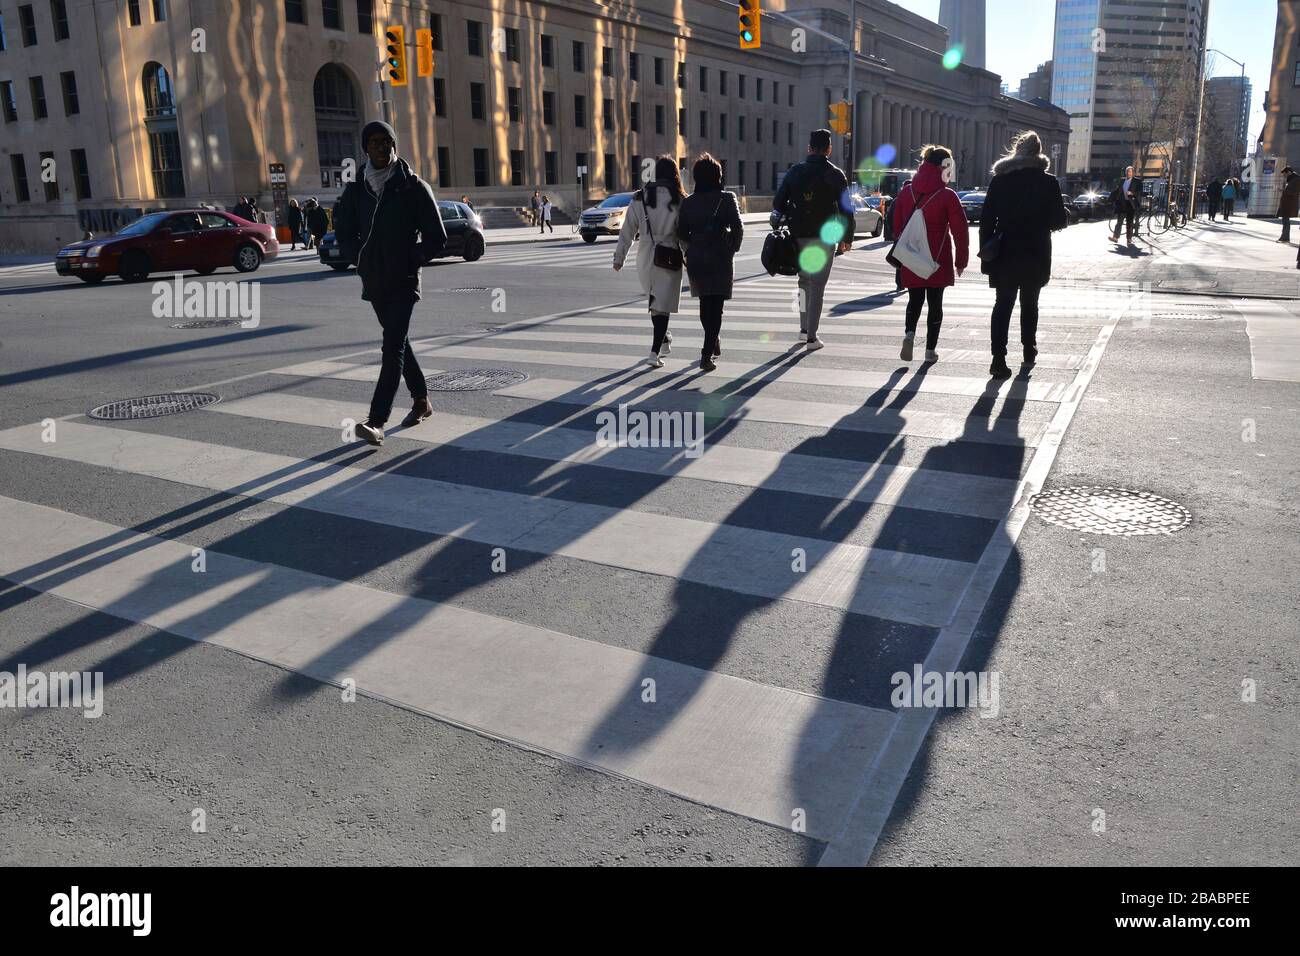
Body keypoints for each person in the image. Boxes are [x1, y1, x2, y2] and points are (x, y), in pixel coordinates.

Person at [332, 119, 447, 447]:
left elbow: (437, 238)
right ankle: (422, 401)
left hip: (404, 280)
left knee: (392, 346)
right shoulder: (357, 189)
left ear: (394, 146)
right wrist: (360, 260)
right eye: (376, 142)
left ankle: (376, 421)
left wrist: (412, 258)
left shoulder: (413, 186)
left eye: (388, 141)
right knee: (400, 343)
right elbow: (343, 232)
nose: (383, 147)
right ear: (365, 149)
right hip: (375, 280)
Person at [979, 131, 1069, 380]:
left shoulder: (1000, 180)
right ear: (1039, 151)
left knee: (1003, 304)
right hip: (1036, 250)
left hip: (1005, 250)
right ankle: (1029, 348)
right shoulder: (1048, 182)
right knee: (1030, 303)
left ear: (1017, 150)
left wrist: (986, 256)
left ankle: (998, 358)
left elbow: (987, 220)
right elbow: (1058, 221)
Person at [771, 128, 854, 351]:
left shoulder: (794, 172)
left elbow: (778, 203)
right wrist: (848, 236)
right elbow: (847, 209)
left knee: (804, 282)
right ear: (829, 148)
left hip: (798, 235)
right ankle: (812, 337)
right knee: (817, 285)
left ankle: (803, 329)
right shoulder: (836, 174)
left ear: (809, 148)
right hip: (824, 237)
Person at [891, 144, 969, 364]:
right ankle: (930, 350)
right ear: (945, 167)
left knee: (914, 300)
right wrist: (960, 260)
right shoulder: (947, 196)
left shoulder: (907, 192)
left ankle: (909, 334)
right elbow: (960, 230)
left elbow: (897, 226)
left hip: (912, 254)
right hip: (938, 256)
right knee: (936, 303)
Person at [613, 155, 685, 368]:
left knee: (656, 304)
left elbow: (627, 231)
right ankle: (655, 352)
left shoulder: (639, 198)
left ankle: (663, 339)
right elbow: (685, 234)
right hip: (669, 255)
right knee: (661, 305)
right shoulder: (680, 199)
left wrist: (619, 259)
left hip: (645, 257)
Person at [677, 152, 744, 372]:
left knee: (706, 305)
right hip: (720, 257)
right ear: (717, 176)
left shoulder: (689, 202)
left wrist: (692, 249)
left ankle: (711, 340)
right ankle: (707, 353)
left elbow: (681, 232)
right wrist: (731, 249)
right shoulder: (727, 198)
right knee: (717, 307)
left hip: (697, 259)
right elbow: (738, 228)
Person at [1109, 166, 1140, 244]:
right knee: (1119, 222)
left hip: (1130, 204)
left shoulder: (1136, 181)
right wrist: (1111, 197)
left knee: (1129, 223)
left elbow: (1140, 192)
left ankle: (1129, 239)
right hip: (1122, 203)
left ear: (1133, 173)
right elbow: (1118, 190)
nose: (1128, 173)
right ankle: (1115, 237)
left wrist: (1132, 193)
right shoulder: (1122, 180)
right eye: (1127, 171)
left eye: (1130, 172)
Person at [1276, 167, 1300, 242]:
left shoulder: (1296, 180)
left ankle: (1285, 238)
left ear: (1289, 172)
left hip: (1289, 203)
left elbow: (1293, 192)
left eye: (1285, 174)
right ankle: (1284, 237)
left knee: (1286, 221)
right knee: (1285, 220)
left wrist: (1282, 190)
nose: (1284, 176)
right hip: (1287, 203)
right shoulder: (1291, 179)